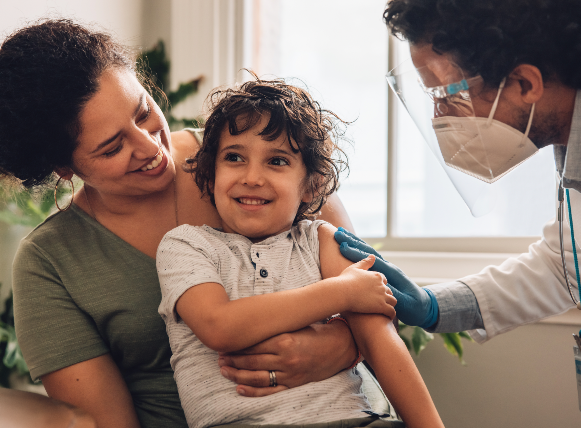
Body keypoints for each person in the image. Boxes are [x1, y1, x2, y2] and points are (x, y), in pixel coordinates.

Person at [0, 19, 376, 428]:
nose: (150, 147)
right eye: (113, 147)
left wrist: (344, 346)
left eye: (143, 111)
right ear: (65, 168)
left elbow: (374, 291)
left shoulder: (260, 157)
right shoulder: (49, 263)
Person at [334, 0, 581, 426]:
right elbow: (571, 265)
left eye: (446, 94)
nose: (438, 118)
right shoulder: (577, 128)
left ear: (525, 83)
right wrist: (434, 306)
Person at [156, 77, 444, 428]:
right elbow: (220, 327)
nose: (252, 177)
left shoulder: (320, 241)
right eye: (234, 157)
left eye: (276, 161)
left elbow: (379, 339)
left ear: (310, 186)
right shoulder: (185, 246)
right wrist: (342, 292)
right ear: (210, 172)